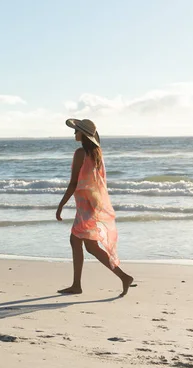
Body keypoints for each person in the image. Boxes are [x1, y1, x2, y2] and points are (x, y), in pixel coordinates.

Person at [56, 118, 134, 297]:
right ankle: (122, 277)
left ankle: (79, 285)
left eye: (76, 131)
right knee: (88, 245)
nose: (74, 134)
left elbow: (73, 183)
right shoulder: (96, 153)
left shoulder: (80, 154)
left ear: (83, 134)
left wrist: (60, 206)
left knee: (78, 241)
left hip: (85, 205)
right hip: (92, 203)